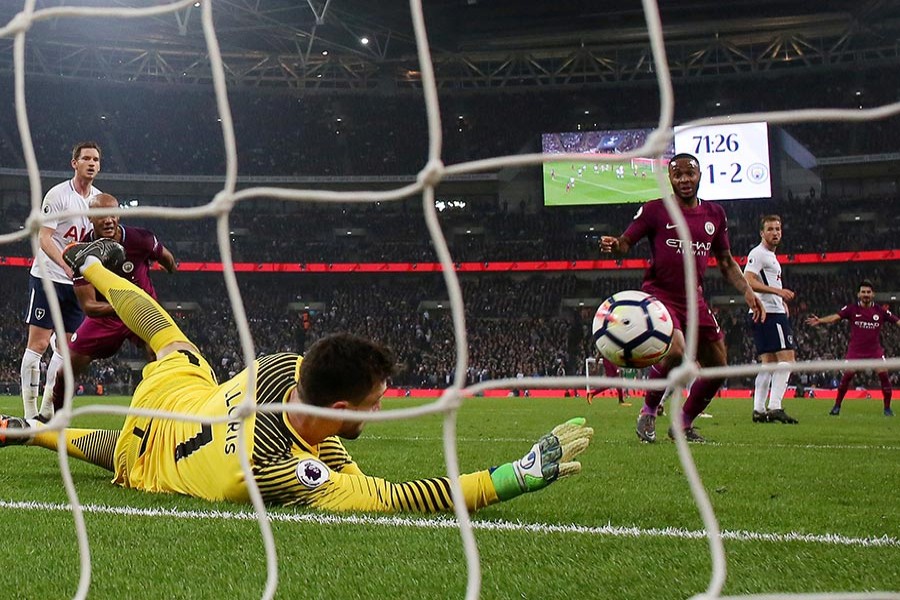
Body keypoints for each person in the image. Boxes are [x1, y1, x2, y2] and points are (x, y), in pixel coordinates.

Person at [0, 239, 593, 513]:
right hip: (148, 464)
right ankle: (24, 429)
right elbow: (396, 498)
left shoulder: (282, 366)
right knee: (105, 444)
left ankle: (89, 277)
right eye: (373, 402)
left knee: (165, 333)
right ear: (336, 405)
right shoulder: (279, 472)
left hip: (177, 395)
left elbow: (151, 319)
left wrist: (95, 270)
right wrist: (514, 476)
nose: (380, 410)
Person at [600, 153, 765, 443]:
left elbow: (725, 262)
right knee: (676, 350)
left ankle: (683, 424)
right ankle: (649, 412)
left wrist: (748, 291)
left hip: (695, 300)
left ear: (700, 175)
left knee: (718, 368)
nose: (684, 180)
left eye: (690, 174)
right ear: (670, 179)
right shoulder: (656, 210)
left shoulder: (715, 214)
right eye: (678, 175)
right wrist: (616, 245)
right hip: (659, 294)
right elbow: (626, 243)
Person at [34, 193, 177, 422]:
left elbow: (167, 258)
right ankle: (58, 421)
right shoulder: (81, 252)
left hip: (144, 311)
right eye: (101, 216)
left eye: (112, 214)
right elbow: (89, 306)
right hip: (106, 316)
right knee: (65, 372)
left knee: (161, 357)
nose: (108, 220)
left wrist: (170, 269)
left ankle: (168, 418)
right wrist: (123, 304)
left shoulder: (140, 239)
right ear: (90, 217)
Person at [21, 141, 102, 421]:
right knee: (39, 345)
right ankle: (28, 414)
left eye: (96, 160)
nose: (91, 163)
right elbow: (43, 238)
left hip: (76, 285)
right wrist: (66, 266)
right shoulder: (57, 195)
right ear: (75, 163)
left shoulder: (98, 201)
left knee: (66, 350)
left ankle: (45, 412)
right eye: (86, 159)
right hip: (47, 277)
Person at [805, 280, 899, 416]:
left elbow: (897, 321)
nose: (866, 294)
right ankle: (837, 406)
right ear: (858, 294)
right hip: (856, 351)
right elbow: (835, 317)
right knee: (846, 378)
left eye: (868, 292)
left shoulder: (881, 311)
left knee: (884, 376)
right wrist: (820, 320)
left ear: (873, 294)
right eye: (863, 292)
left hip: (875, 351)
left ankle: (887, 409)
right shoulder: (852, 309)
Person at [743, 215, 798, 424]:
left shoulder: (769, 256)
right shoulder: (759, 253)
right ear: (762, 233)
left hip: (767, 311)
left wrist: (779, 298)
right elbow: (747, 279)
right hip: (770, 314)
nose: (775, 233)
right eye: (770, 229)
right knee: (788, 360)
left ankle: (758, 409)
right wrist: (778, 292)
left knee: (769, 363)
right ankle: (775, 406)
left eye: (778, 229)